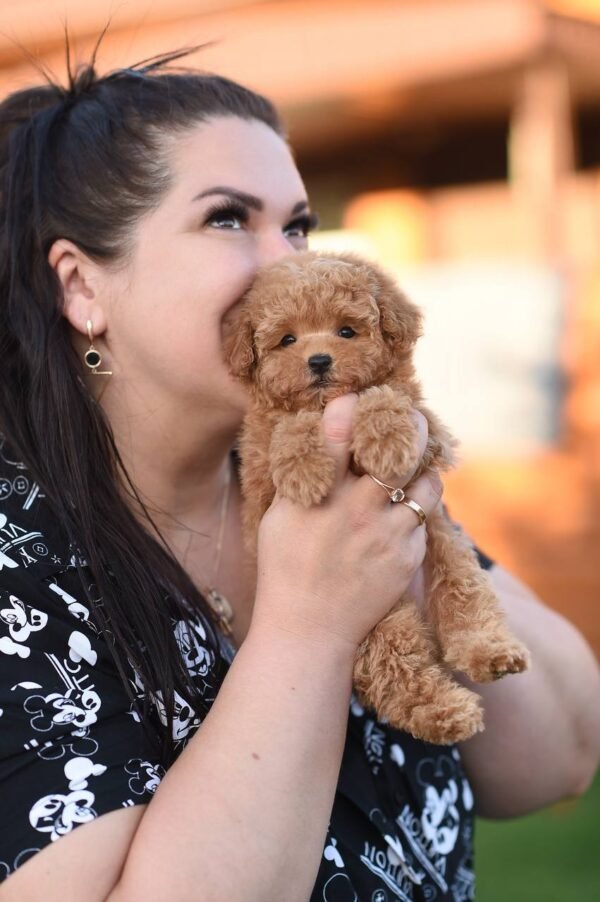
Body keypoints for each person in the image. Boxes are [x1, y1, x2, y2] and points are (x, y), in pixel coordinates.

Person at [0, 48, 598, 902]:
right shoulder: (19, 566)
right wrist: (310, 632)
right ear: (82, 285)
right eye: (226, 220)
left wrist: (409, 524)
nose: (289, 264)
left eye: (299, 226)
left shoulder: (338, 481)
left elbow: (561, 761)